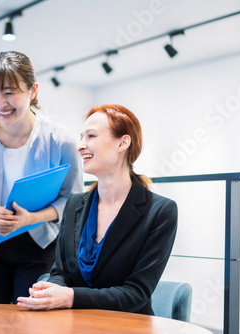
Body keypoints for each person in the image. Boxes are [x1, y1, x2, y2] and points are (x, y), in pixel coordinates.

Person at [17, 104, 178, 314]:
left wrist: (71, 297)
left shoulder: (160, 211)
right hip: (74, 322)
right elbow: (60, 272)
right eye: (81, 137)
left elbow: (137, 293)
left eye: (91, 136)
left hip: (127, 325)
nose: (80, 145)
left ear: (123, 142)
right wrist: (52, 290)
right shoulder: (74, 204)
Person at [0, 51, 83, 304]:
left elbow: (73, 199)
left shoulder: (61, 139)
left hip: (40, 245)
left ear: (32, 90)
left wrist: (32, 218)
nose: (0, 103)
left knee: (30, 324)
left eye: (9, 92)